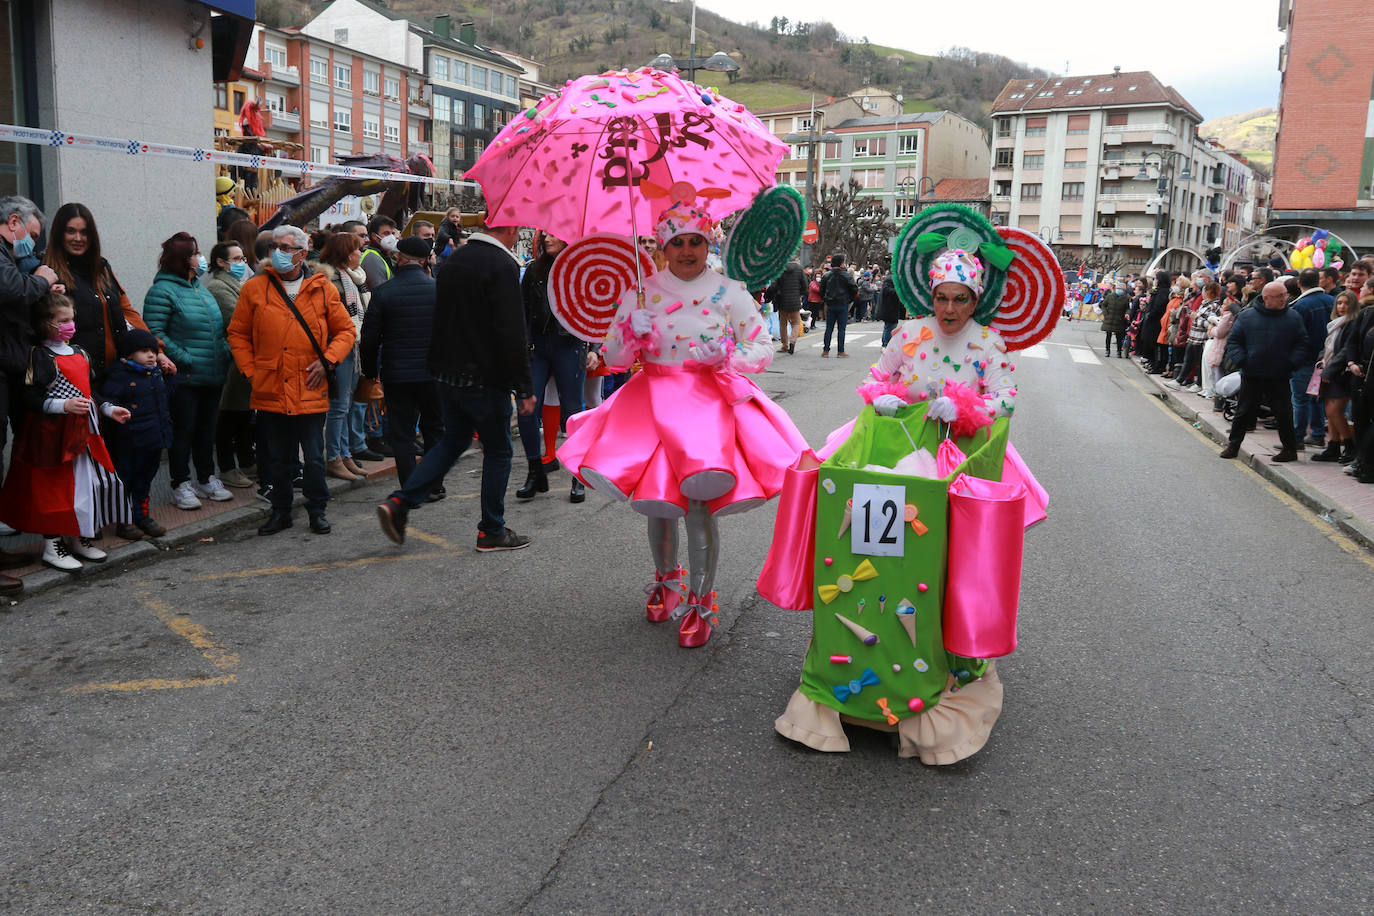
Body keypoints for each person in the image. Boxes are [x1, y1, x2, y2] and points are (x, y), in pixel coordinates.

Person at [767, 232, 1045, 765]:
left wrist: (967, 410)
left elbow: (1006, 397)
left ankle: (945, 658)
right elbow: (876, 378)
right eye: (942, 296)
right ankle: (862, 655)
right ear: (931, 295)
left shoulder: (988, 343)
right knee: (875, 557)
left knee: (950, 563)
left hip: (959, 462)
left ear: (975, 300)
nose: (949, 308)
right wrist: (885, 396)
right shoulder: (910, 333)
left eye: (960, 298)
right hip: (895, 457)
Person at [555, 203, 808, 648]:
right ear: (663, 245)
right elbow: (612, 360)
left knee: (697, 503)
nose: (687, 250)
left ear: (707, 243)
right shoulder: (640, 293)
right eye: (678, 242)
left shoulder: (730, 291)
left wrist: (727, 358)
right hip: (651, 401)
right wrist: (629, 334)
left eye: (696, 241)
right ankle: (668, 579)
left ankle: (701, 597)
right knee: (658, 501)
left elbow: (762, 349)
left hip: (707, 407)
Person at [375, 218, 535, 551]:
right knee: (499, 450)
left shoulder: (455, 259)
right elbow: (511, 331)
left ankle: (401, 502)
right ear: (509, 230)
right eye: (517, 230)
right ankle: (491, 529)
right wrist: (523, 387)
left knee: (452, 441)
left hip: (447, 373)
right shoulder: (502, 263)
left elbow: (441, 318)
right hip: (483, 375)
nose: (517, 236)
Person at [228, 225, 356, 535]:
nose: (277, 253)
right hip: (270, 386)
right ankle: (281, 511)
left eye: (285, 247)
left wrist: (327, 361)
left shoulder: (322, 287)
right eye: (274, 247)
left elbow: (346, 331)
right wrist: (251, 371)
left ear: (301, 253)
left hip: (310, 387)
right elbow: (238, 334)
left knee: (313, 458)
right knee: (277, 458)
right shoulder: (254, 288)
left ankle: (317, 510)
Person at [0, 292, 130, 572]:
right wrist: (63, 405)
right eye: (63, 320)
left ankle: (80, 536)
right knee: (54, 491)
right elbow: (29, 397)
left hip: (85, 434)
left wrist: (107, 409)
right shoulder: (39, 355)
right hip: (52, 435)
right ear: (46, 323)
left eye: (72, 319)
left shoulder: (80, 352)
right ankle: (53, 545)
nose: (70, 325)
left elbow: (90, 392)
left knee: (88, 486)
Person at [143, 232, 233, 510]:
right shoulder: (162, 291)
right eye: (195, 253)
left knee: (206, 431)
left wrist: (225, 351)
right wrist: (184, 357)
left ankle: (206, 479)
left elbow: (216, 330)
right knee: (183, 432)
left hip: (212, 375)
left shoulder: (199, 289)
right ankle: (180, 484)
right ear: (183, 259)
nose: (200, 258)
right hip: (185, 377)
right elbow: (155, 332)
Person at [359, 235, 444, 494]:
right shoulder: (438, 290)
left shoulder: (384, 292)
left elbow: (369, 339)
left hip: (398, 375)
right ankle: (435, 484)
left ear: (400, 258)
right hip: (434, 374)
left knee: (403, 434)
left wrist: (371, 371)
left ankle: (410, 488)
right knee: (435, 430)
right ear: (424, 261)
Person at [42, 203, 164, 382]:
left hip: (116, 373)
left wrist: (156, 350)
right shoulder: (47, 272)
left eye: (84, 232)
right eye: (71, 231)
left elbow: (128, 312)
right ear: (59, 234)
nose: (78, 238)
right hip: (73, 377)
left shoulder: (102, 268)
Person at [515, 230, 588, 503]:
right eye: (544, 235)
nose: (547, 240)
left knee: (573, 412)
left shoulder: (580, 269)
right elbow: (521, 308)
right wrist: (524, 341)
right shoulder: (534, 269)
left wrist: (592, 348)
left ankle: (577, 475)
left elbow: (593, 309)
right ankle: (535, 471)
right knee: (526, 406)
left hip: (569, 345)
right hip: (538, 346)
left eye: (553, 235)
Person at [1220, 280, 1308, 462]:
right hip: (1252, 373)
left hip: (1280, 374)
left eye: (1285, 295)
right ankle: (1233, 445)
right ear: (1267, 298)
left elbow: (1302, 343)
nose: (1285, 299)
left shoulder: (1293, 317)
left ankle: (1289, 450)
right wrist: (1242, 361)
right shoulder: (1247, 316)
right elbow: (1234, 341)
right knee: (1243, 411)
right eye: (1280, 296)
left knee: (1284, 413)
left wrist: (1292, 363)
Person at [100, 329, 175, 538]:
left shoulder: (156, 373)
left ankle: (142, 516)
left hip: (155, 436)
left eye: (153, 350)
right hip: (131, 439)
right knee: (126, 478)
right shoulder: (119, 375)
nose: (151, 355)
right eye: (144, 351)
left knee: (145, 477)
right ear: (130, 354)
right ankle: (125, 521)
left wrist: (169, 378)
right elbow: (110, 400)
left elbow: (166, 399)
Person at [316, 231, 370, 481]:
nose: (361, 253)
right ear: (347, 254)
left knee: (346, 403)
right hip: (339, 347)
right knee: (339, 405)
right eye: (358, 249)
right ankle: (334, 457)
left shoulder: (353, 277)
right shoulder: (333, 280)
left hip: (353, 345)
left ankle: (345, 454)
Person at [203, 240, 255, 488]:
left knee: (243, 415)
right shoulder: (219, 287)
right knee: (228, 416)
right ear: (221, 263)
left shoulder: (238, 284)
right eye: (236, 259)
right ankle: (227, 467)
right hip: (232, 361)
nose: (241, 263)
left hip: (243, 361)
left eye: (242, 259)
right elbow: (242, 320)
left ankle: (246, 462)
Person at [1311, 290, 1360, 463]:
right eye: (1339, 303)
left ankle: (1350, 447)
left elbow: (1346, 350)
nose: (1342, 306)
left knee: (1334, 410)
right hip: (1328, 370)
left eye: (1346, 303)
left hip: (1341, 374)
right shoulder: (1335, 323)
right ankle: (1333, 446)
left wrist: (1329, 370)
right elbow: (1329, 347)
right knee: (1328, 411)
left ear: (1353, 305)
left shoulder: (1353, 323)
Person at [1289, 268, 1335, 449]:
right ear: (1318, 281)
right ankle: (1316, 434)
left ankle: (1297, 438)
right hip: (1327, 359)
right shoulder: (1332, 301)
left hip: (1305, 360)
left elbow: (1295, 335)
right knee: (1316, 398)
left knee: (1300, 400)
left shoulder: (1301, 305)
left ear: (1299, 283)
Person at [766, 257, 805, 355]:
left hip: (782, 300)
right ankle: (792, 341)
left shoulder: (779, 269)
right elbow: (805, 285)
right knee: (796, 322)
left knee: (783, 323)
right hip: (795, 300)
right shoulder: (799, 269)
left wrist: (768, 296)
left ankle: (785, 345)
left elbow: (773, 286)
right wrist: (799, 294)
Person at [820, 253, 856, 358]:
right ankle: (840, 351)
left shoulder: (827, 275)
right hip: (843, 303)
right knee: (841, 329)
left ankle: (826, 350)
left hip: (830, 304)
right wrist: (850, 299)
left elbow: (821, 290)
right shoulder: (846, 275)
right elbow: (854, 289)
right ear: (841, 263)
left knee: (829, 328)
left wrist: (825, 299)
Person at [360, 215, 398, 293]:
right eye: (386, 233)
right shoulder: (372, 258)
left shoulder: (384, 256)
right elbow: (380, 292)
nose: (391, 237)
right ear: (374, 236)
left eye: (392, 233)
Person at [1100, 282, 1129, 358]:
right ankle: (1107, 350)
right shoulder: (1110, 296)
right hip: (1109, 318)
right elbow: (1103, 305)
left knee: (1119, 337)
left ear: (1124, 290)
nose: (1119, 290)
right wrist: (1105, 313)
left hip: (1119, 319)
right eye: (1118, 288)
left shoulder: (1125, 298)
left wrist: (1127, 313)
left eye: (1121, 289)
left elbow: (1128, 308)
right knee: (1108, 336)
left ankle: (1119, 351)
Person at [875, 267, 903, 347]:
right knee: (890, 326)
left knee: (889, 326)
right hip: (889, 307)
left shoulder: (890, 278)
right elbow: (887, 290)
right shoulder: (890, 279)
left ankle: (885, 344)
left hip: (890, 306)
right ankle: (886, 344)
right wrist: (898, 291)